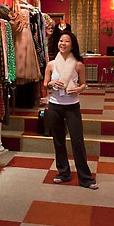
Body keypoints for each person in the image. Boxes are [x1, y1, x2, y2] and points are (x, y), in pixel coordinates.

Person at [43, 31, 98, 190]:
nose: (63, 44)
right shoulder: (51, 64)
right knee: (58, 141)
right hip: (54, 106)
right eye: (61, 41)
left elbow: (83, 84)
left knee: (77, 141)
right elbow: (45, 84)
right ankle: (63, 173)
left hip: (72, 106)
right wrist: (52, 84)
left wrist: (79, 90)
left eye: (67, 41)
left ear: (72, 45)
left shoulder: (78, 64)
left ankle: (85, 178)